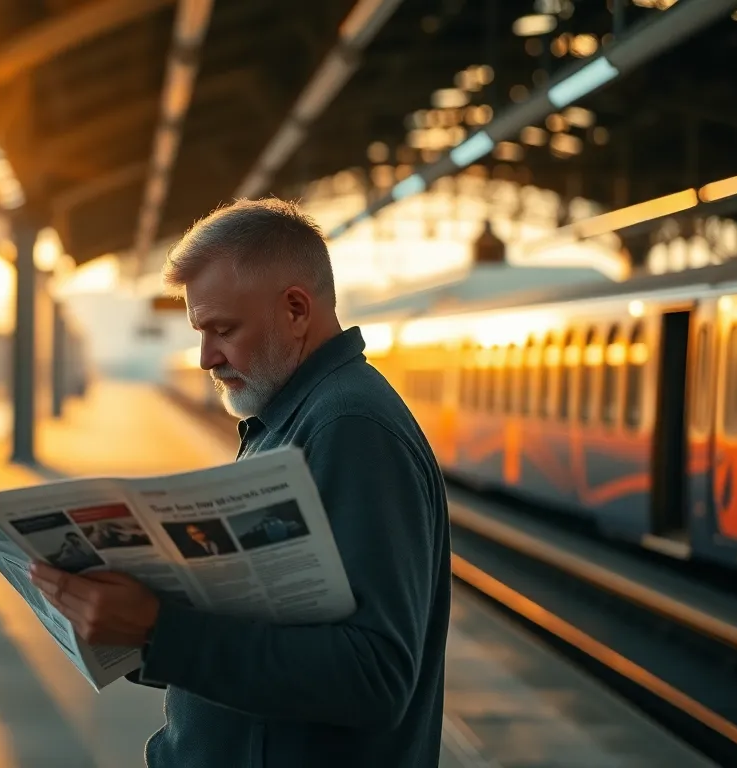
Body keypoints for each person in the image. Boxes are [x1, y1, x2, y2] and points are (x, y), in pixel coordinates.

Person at [29, 197, 452, 767]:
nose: (206, 357)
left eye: (222, 330)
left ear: (296, 310)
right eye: (199, 331)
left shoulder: (350, 428)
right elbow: (268, 635)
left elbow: (375, 676)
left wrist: (161, 631)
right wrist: (137, 632)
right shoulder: (289, 416)